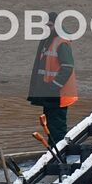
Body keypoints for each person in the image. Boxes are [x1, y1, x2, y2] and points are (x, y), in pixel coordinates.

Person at [28, 17, 77, 146]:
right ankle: (55, 155)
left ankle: (60, 157)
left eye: (50, 25)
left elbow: (67, 67)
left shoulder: (61, 42)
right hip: (50, 93)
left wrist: (54, 85)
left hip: (58, 94)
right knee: (51, 127)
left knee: (57, 128)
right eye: (46, 26)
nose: (47, 28)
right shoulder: (49, 41)